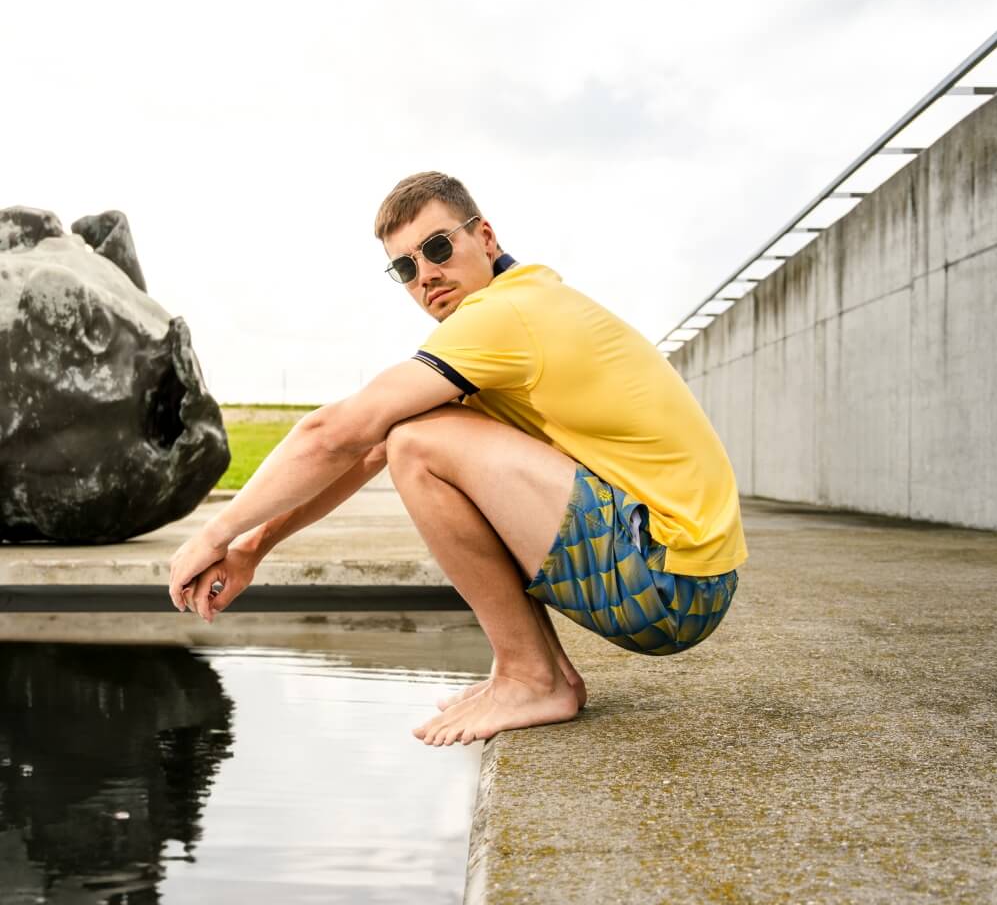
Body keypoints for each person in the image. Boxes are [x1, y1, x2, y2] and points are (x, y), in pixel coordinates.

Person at [168, 172, 747, 747]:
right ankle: (532, 669)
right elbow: (366, 452)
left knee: (417, 445)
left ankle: (532, 677)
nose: (426, 276)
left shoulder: (505, 315)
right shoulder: (515, 309)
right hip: (681, 577)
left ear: (486, 238)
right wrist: (252, 548)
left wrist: (215, 533)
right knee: (408, 437)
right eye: (405, 268)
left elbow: (332, 433)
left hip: (671, 582)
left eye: (438, 247)